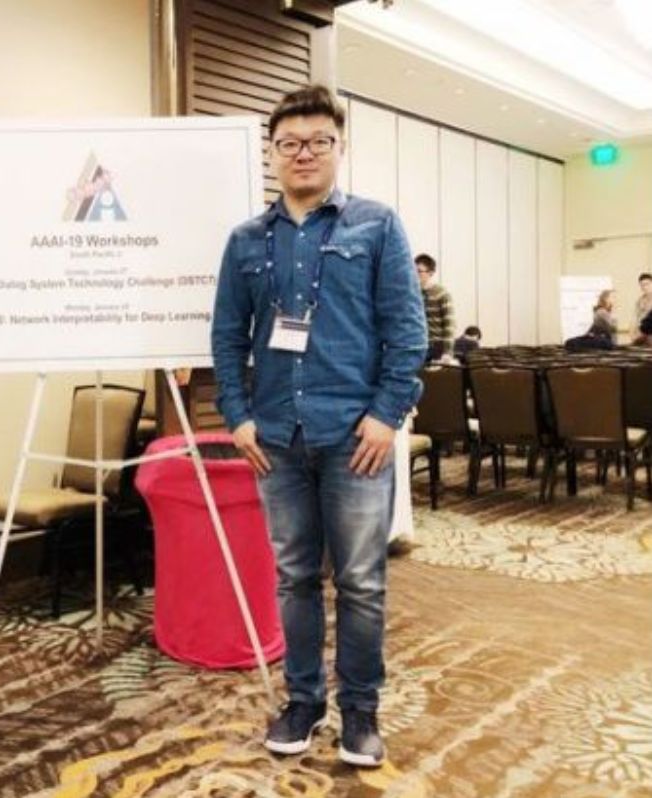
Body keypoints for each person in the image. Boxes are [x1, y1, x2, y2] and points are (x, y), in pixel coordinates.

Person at [211, 84, 427, 768]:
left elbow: (407, 332)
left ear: (339, 147)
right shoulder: (246, 241)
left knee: (361, 581)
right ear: (271, 153)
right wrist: (238, 417)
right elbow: (226, 337)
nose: (303, 153)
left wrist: (387, 415)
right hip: (276, 440)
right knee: (294, 577)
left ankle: (361, 712)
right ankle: (303, 702)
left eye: (318, 142)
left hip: (355, 440)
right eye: (289, 143)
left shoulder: (376, 225)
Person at [414, 254, 455, 360]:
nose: (415, 274)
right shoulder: (412, 294)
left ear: (431, 273)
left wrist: (447, 351)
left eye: (419, 271)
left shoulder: (441, 293)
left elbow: (449, 324)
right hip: (416, 345)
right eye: (413, 270)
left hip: (436, 346)